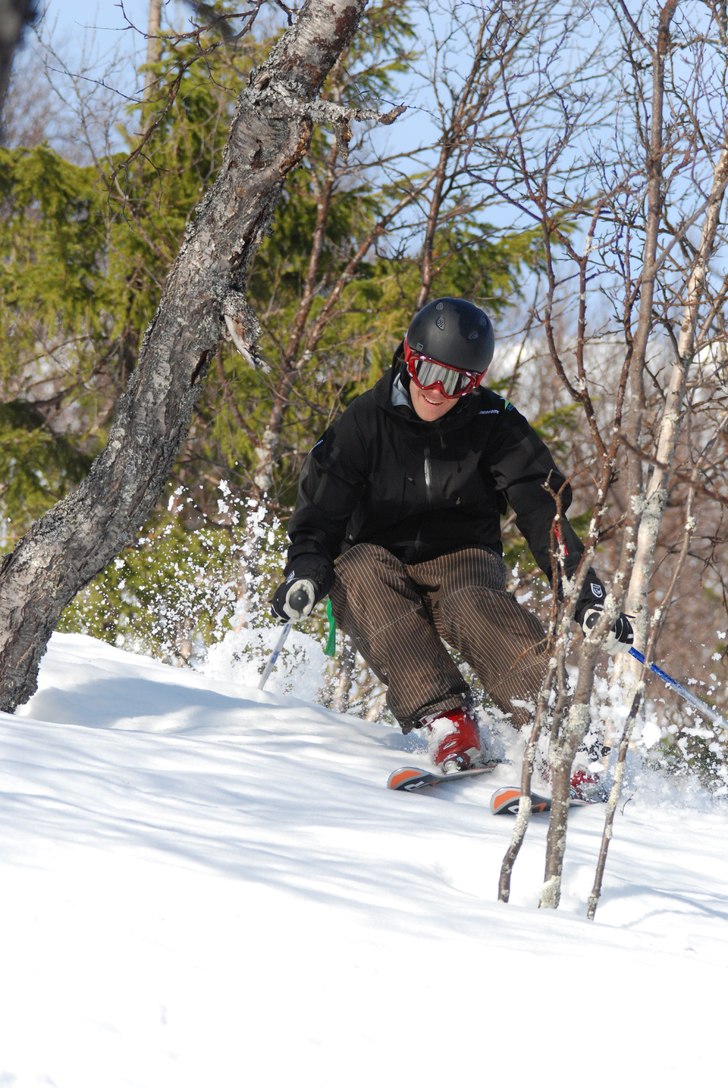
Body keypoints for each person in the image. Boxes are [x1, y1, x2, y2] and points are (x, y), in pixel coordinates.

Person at [271, 297, 633, 778]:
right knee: (353, 571)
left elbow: (542, 509)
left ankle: (557, 735)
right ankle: (449, 723)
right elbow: (320, 515)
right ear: (408, 357)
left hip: (463, 556)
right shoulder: (364, 422)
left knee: (473, 604)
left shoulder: (494, 423)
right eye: (430, 373)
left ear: (476, 382)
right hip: (377, 560)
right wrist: (307, 568)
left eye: (460, 381)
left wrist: (583, 592)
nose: (440, 392)